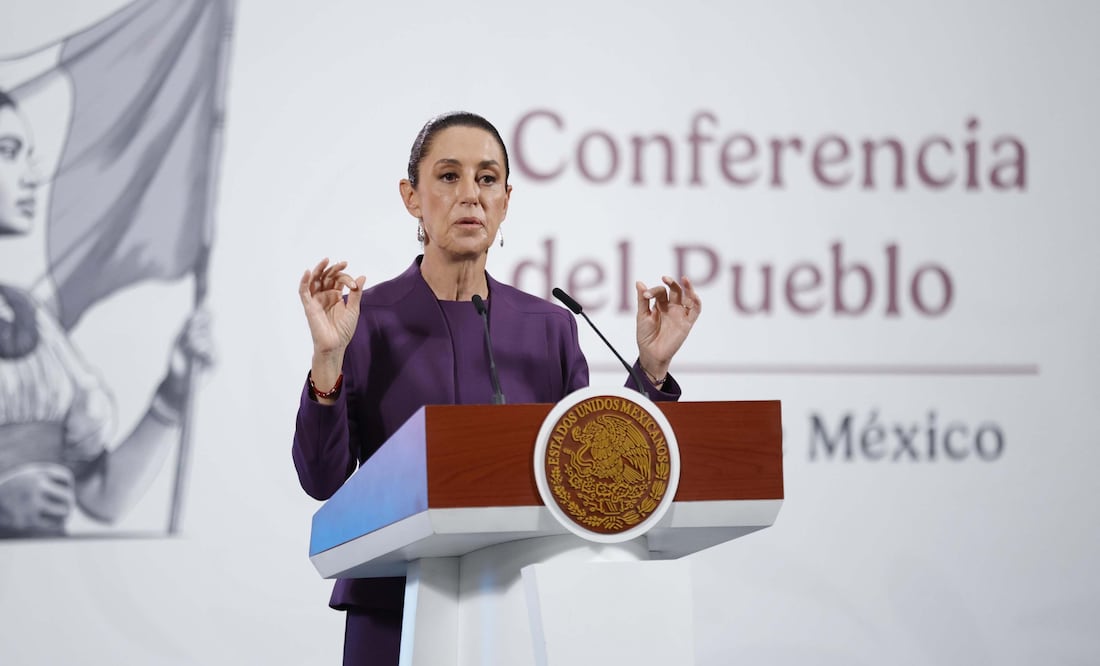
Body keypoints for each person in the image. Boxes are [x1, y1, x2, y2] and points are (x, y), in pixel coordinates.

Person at [293, 111, 702, 665]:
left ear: (506, 200)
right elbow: (322, 480)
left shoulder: (548, 327)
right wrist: (326, 359)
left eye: (487, 179)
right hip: (396, 607)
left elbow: (593, 474)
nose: (470, 196)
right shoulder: (367, 320)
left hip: (524, 606)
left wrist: (649, 370)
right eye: (448, 176)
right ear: (411, 197)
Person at [0, 90, 213, 537]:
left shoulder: (31, 318)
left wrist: (172, 393)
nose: (32, 175)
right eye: (8, 152)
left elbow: (102, 497)